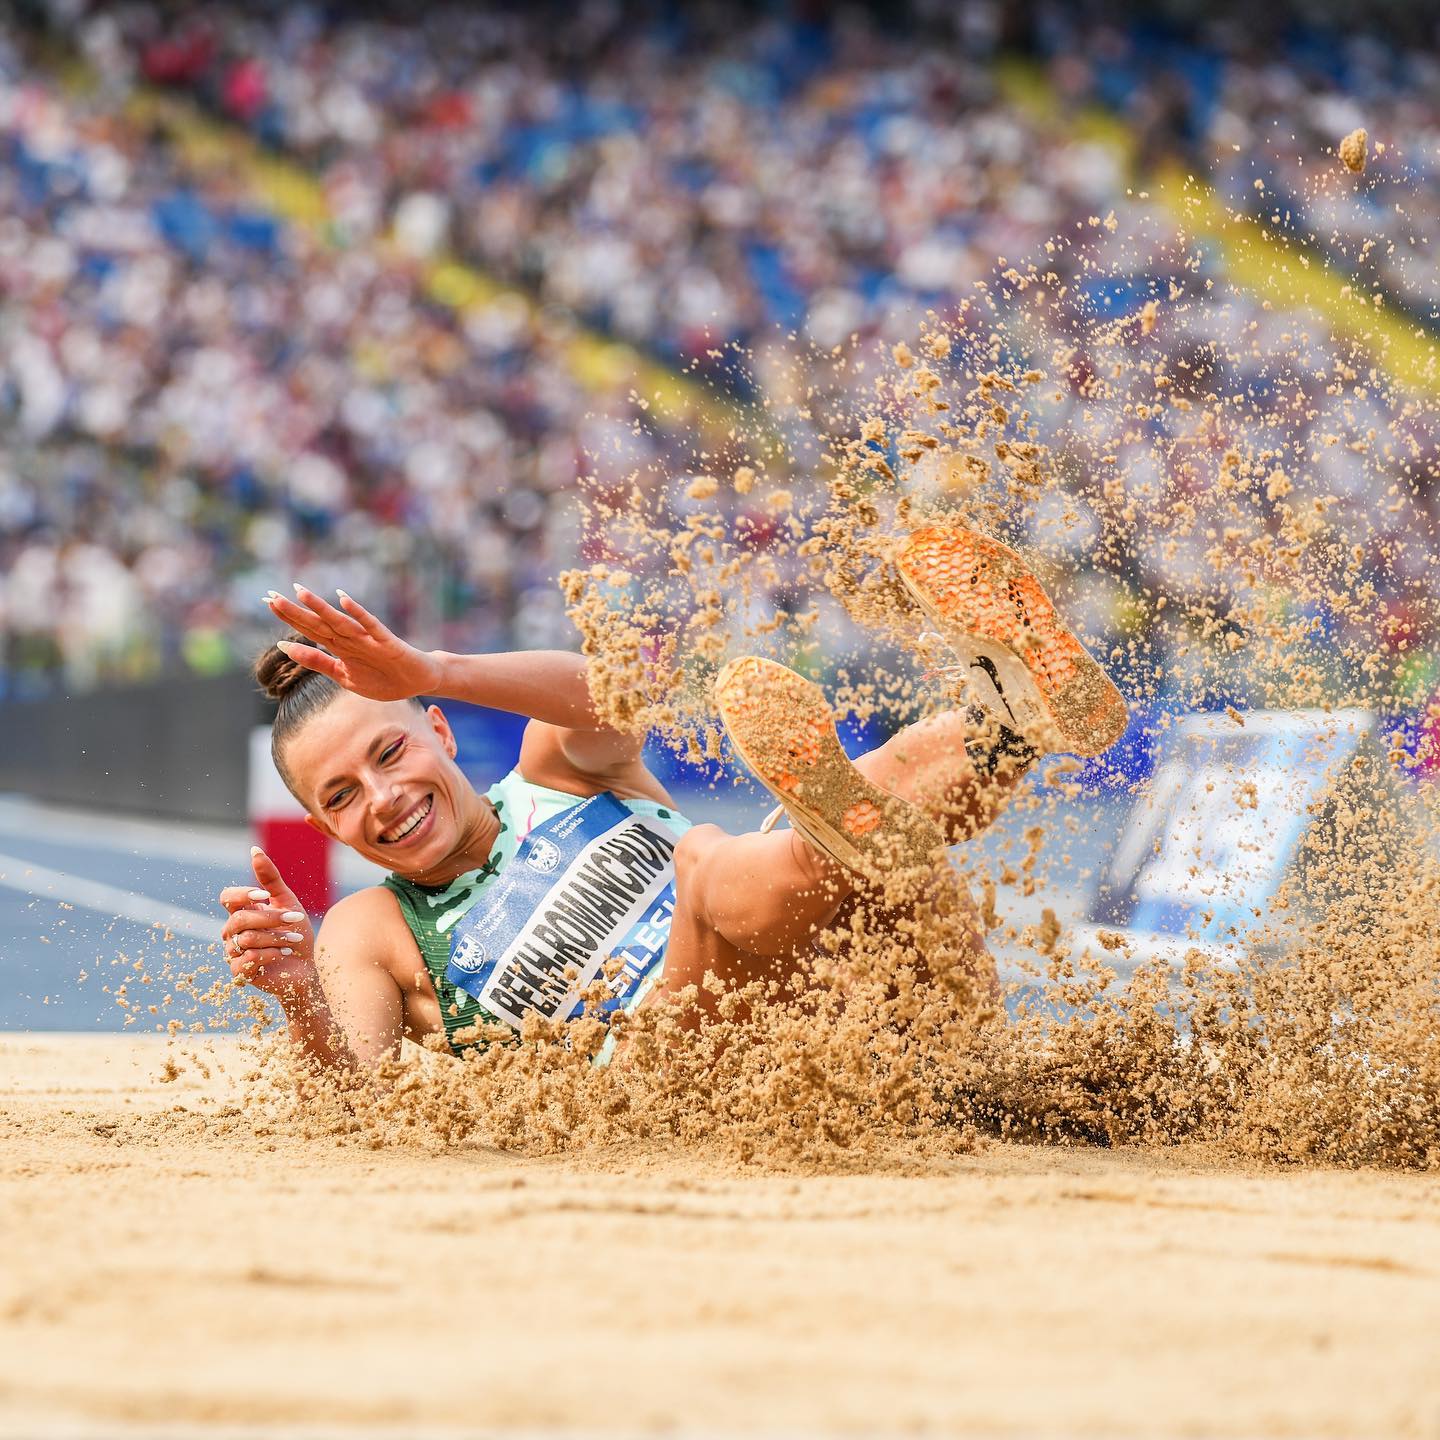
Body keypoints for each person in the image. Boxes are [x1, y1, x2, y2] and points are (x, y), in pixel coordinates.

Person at [218, 524, 1127, 1070]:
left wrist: (437, 667)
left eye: (389, 752)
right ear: (322, 823)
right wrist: (298, 990)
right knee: (712, 860)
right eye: (342, 796)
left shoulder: (559, 772)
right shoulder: (372, 927)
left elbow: (613, 693)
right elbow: (358, 1095)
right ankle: (962, 757)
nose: (381, 798)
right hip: (707, 1087)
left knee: (849, 826)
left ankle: (1013, 719)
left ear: (442, 731)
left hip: (885, 1013)